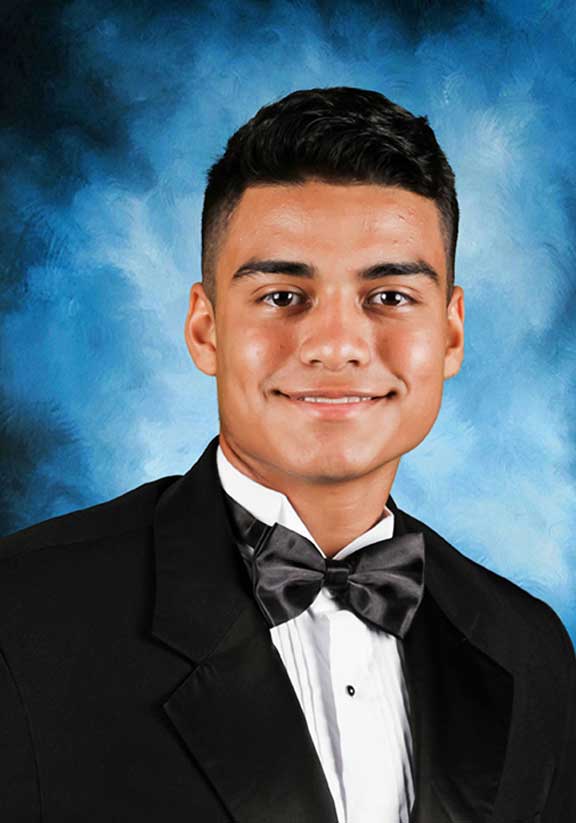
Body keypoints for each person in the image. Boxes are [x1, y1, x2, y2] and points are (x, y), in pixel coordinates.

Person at [0, 87, 574, 823]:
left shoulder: (530, 650)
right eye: (282, 296)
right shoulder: (23, 620)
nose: (336, 346)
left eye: (389, 296)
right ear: (206, 329)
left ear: (451, 333)